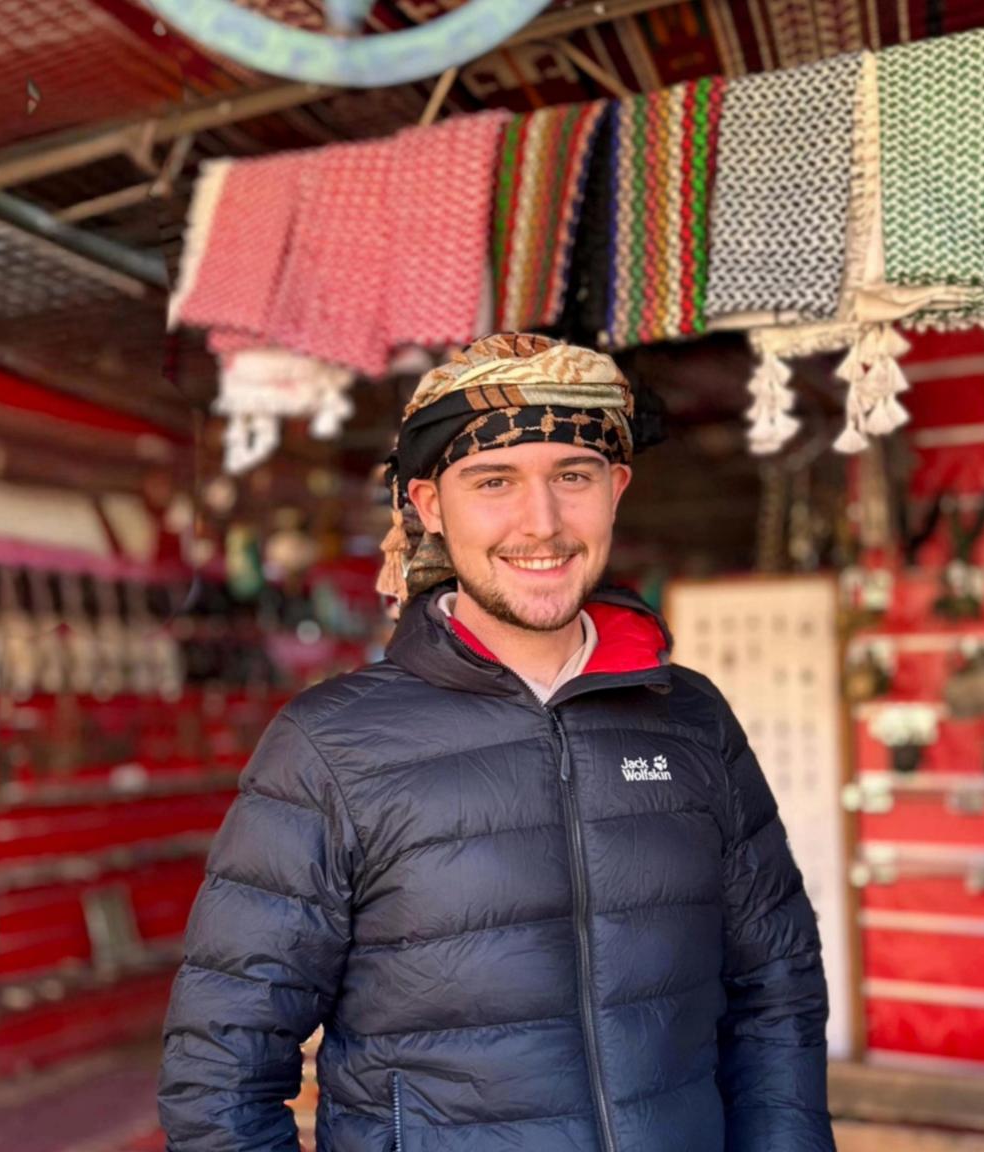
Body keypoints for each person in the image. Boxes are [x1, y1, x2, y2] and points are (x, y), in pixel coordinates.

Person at [158, 333, 835, 1152]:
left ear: (616, 489)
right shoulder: (330, 748)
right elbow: (220, 1076)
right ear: (430, 505)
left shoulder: (691, 720)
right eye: (494, 481)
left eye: (573, 476)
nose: (541, 524)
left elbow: (776, 997)